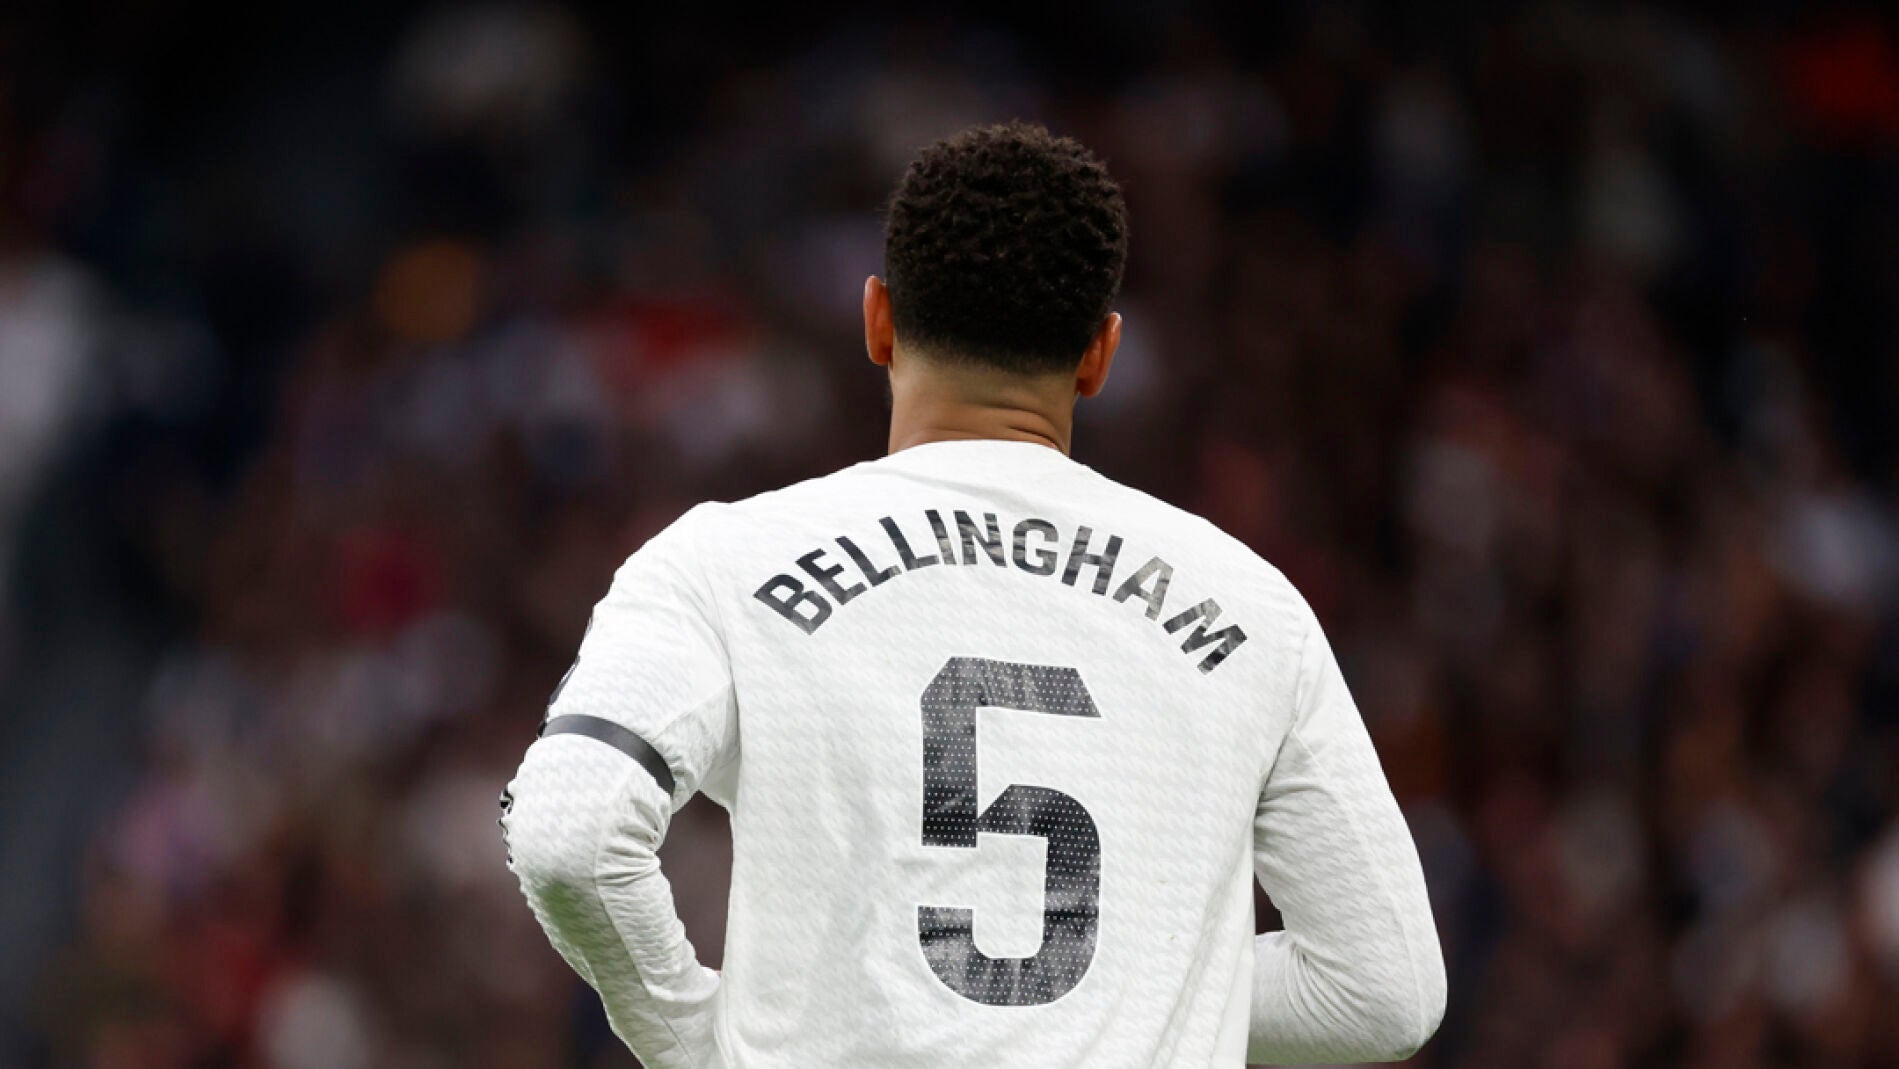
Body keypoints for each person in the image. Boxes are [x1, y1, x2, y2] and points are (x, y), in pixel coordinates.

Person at [500, 121, 1445, 1068]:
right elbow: (1381, 989)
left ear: (877, 320)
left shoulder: (718, 562)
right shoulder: (1250, 607)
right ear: (1099, 354)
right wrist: (1142, 989)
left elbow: (569, 831)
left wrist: (694, 1042)